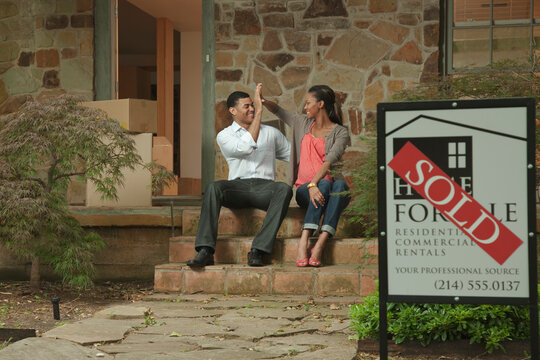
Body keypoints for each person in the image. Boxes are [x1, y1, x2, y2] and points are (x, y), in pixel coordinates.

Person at [187, 84, 292, 268]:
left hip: (264, 188)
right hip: (238, 188)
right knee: (213, 187)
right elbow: (244, 148)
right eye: (247, 106)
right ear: (233, 110)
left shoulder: (272, 133)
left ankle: (258, 250)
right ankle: (205, 251)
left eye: (253, 105)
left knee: (283, 189)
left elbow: (294, 156)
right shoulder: (224, 135)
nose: (252, 108)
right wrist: (260, 113)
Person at [262, 85, 350, 267]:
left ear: (321, 104)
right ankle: (304, 241)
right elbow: (278, 110)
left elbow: (330, 161)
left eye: (308, 103)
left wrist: (314, 184)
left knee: (340, 187)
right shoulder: (301, 123)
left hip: (323, 188)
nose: (305, 107)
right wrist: (262, 101)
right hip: (304, 191)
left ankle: (319, 243)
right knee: (324, 185)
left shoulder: (340, 132)